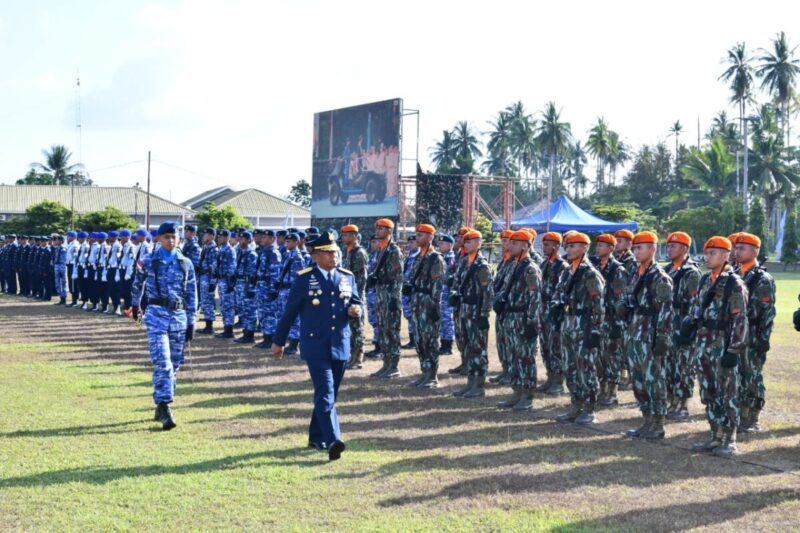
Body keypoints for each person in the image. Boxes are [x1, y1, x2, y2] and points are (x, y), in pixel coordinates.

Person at [272, 232, 362, 461]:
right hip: (315, 344)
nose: (334, 256)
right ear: (316, 255)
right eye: (329, 252)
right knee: (325, 391)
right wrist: (279, 341)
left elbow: (356, 302)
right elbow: (289, 312)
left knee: (330, 395)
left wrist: (355, 310)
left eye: (335, 252)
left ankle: (315, 436)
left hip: (340, 343)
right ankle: (333, 440)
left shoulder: (346, 276)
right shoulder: (304, 279)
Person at [131, 222, 197, 431]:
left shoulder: (185, 263)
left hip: (178, 318)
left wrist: (192, 320)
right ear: (158, 238)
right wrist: (135, 305)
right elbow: (137, 283)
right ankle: (165, 406)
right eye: (166, 236)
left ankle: (160, 403)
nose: (171, 240)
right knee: (163, 362)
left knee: (174, 365)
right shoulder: (149, 261)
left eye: (174, 236)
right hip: (157, 316)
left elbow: (191, 293)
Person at [688, 236, 748, 457]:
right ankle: (715, 435)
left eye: (714, 252)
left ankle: (729, 439)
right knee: (709, 392)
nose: (708, 256)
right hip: (703, 344)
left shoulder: (734, 283)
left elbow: (740, 319)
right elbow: (697, 310)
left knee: (727, 393)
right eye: (707, 251)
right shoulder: (705, 280)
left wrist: (734, 350)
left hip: (722, 345)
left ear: (726, 255)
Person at [620, 231, 674, 440]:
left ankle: (658, 423)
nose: (635, 252)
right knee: (639, 379)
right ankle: (646, 420)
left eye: (639, 248)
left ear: (652, 249)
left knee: (654, 380)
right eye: (634, 248)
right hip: (635, 332)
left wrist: (661, 337)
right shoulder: (636, 273)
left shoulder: (660, 277)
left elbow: (666, 310)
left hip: (650, 335)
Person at [554, 232, 605, 424]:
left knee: (586, 368)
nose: (568, 249)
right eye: (567, 246)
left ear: (585, 248)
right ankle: (576, 404)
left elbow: (599, 304)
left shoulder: (590, 273)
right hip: (568, 323)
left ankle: (589, 408)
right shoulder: (568, 271)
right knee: (570, 367)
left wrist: (596, 330)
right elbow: (560, 294)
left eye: (573, 246)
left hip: (584, 325)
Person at [495, 230, 542, 411]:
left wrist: (531, 322)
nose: (510, 245)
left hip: (523, 318)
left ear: (525, 245)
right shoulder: (513, 265)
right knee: (513, 357)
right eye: (511, 242)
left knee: (525, 358)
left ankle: (527, 395)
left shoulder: (530, 268)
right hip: (510, 317)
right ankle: (516, 392)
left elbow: (535, 297)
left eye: (515, 243)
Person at [734, 233, 776, 433]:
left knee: (752, 377)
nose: (737, 251)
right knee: (737, 375)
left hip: (752, 334)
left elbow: (767, 313)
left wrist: (763, 339)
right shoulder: (735, 274)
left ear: (754, 251)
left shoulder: (762, 279)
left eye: (742, 248)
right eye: (736, 248)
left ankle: (752, 418)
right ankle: (740, 414)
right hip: (736, 334)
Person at [663, 232, 702, 421]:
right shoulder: (666, 269)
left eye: (674, 246)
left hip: (683, 324)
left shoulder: (691, 272)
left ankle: (682, 404)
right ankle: (672, 400)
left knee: (684, 366)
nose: (669, 249)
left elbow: (695, 303)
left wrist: (687, 329)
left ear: (685, 249)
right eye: (669, 245)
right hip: (668, 323)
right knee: (669, 365)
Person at [451, 230, 493, 398]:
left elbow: (488, 292)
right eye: (465, 242)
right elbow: (456, 282)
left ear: (478, 243)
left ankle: (479, 385)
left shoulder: (482, 266)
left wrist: (484, 314)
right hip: (464, 310)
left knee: (478, 349)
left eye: (469, 242)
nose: (465, 244)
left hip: (476, 311)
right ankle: (470, 383)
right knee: (467, 346)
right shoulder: (463, 262)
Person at [589, 233, 629, 407]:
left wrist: (618, 324)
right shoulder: (595, 266)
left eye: (602, 245)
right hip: (598, 318)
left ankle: (611, 393)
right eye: (597, 245)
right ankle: (602, 389)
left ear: (611, 248)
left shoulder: (617, 270)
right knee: (598, 357)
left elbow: (621, 299)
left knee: (611, 357)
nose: (598, 248)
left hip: (612, 319)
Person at [405, 224, 445, 388]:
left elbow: (437, 285)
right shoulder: (418, 257)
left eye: (421, 235)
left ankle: (432, 376)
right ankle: (425, 372)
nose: (417, 238)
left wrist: (435, 307)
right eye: (417, 235)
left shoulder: (436, 258)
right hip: (417, 302)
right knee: (420, 340)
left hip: (428, 303)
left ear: (430, 237)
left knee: (430, 340)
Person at [368, 219, 404, 379]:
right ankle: (386, 364)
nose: (378, 231)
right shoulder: (381, 250)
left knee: (391, 331)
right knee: (383, 330)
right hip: (381, 293)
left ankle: (394, 366)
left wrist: (394, 299)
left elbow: (398, 277)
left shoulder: (393, 251)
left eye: (382, 229)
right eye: (377, 228)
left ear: (389, 231)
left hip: (390, 294)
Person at [538, 232, 569, 395]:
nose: (545, 248)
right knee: (545, 347)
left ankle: (558, 381)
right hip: (542, 311)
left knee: (556, 347)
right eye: (544, 244)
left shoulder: (561, 266)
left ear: (557, 246)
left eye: (548, 244)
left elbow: (562, 291)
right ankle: (550, 377)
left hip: (554, 313)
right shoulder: (544, 264)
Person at [341, 225, 369, 369]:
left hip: (355, 297)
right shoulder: (349, 252)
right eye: (343, 235)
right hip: (348, 295)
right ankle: (351, 356)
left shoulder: (359, 253)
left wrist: (354, 298)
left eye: (346, 235)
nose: (343, 237)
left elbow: (361, 279)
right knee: (350, 329)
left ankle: (357, 359)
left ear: (354, 236)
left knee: (357, 328)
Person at [490, 230, 516, 386]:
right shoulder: (504, 261)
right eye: (503, 241)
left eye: (507, 241)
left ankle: (511, 372)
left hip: (512, 308)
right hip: (502, 307)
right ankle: (506, 370)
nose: (504, 244)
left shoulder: (515, 262)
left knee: (510, 343)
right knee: (502, 342)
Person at [614, 229, 637, 391]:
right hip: (617, 306)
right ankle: (622, 374)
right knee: (618, 344)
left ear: (629, 243)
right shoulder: (616, 259)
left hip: (627, 307)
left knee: (626, 343)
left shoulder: (632, 261)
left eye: (620, 240)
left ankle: (628, 376)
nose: (617, 243)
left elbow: (631, 285)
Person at [275, 232, 305, 354]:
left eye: (290, 241)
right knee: (284, 315)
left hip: (292, 290)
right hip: (284, 289)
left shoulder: (298, 257)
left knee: (294, 318)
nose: (287, 243)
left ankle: (294, 344)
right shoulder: (287, 255)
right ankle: (288, 340)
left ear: (296, 242)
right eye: (286, 241)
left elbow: (300, 277)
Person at [255, 229, 282, 349]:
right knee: (263, 313)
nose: (263, 239)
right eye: (262, 237)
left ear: (272, 239)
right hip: (261, 286)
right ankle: (265, 337)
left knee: (270, 313)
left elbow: (275, 274)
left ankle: (270, 339)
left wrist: (272, 290)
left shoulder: (274, 253)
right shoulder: (263, 252)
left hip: (268, 287)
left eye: (266, 238)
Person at [233, 231, 259, 344]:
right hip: (239, 284)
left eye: (244, 239)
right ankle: (245, 333)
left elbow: (253, 274)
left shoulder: (251, 254)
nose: (241, 241)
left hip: (247, 285)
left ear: (249, 240)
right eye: (240, 239)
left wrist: (251, 289)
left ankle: (250, 335)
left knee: (250, 310)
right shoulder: (239, 252)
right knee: (243, 310)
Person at [214, 230, 237, 339]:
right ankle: (226, 328)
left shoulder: (229, 250)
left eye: (222, 237)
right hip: (221, 280)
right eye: (218, 237)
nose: (219, 239)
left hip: (227, 282)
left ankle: (229, 330)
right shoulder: (221, 249)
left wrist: (230, 284)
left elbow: (232, 268)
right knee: (223, 306)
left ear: (227, 238)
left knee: (228, 306)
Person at [196, 228, 219, 334]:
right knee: (204, 302)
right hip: (203, 277)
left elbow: (214, 268)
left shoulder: (213, 249)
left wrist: (212, 283)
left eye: (205, 235)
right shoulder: (206, 247)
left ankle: (209, 326)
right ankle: (207, 324)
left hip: (208, 278)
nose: (203, 237)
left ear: (211, 236)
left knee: (208, 302)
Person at [364, 235, 382, 359]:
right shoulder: (374, 255)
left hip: (377, 293)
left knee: (379, 320)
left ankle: (380, 347)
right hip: (370, 292)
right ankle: (377, 345)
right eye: (372, 241)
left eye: (375, 241)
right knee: (373, 320)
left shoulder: (383, 256)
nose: (372, 244)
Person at [401, 235, 419, 349]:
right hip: (406, 289)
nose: (410, 244)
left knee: (414, 315)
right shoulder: (409, 256)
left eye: (413, 242)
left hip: (413, 289)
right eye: (410, 242)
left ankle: (415, 340)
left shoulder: (418, 256)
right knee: (408, 315)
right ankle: (412, 339)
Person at [51, 234, 68, 305]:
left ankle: (64, 298)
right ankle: (61, 297)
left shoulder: (64, 248)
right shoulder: (56, 248)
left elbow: (65, 259)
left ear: (61, 241)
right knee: (57, 283)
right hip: (56, 266)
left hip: (62, 266)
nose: (56, 241)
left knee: (63, 282)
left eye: (57, 239)